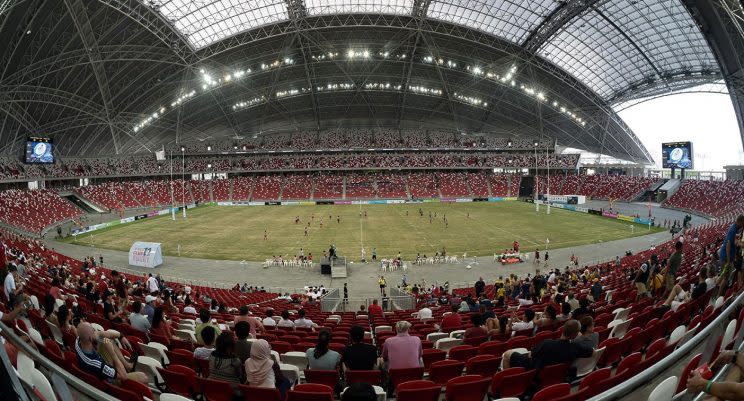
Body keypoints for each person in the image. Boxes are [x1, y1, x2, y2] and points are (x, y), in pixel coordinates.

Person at [502, 320, 592, 370]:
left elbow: (531, 355)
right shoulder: (576, 348)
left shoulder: (546, 343)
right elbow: (593, 352)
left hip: (535, 369)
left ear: (563, 329)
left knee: (507, 354)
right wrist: (578, 338)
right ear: (576, 334)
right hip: (554, 375)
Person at [75, 322, 148, 384]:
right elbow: (124, 376)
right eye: (93, 331)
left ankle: (128, 366)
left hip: (97, 366)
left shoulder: (79, 340)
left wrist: (121, 336)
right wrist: (112, 352)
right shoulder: (97, 364)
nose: (95, 331)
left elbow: (104, 334)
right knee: (143, 377)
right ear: (91, 338)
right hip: (108, 381)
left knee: (107, 341)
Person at [720, 215, 744, 286]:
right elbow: (728, 245)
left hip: (728, 257)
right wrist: (728, 261)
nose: (743, 225)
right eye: (743, 223)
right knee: (725, 278)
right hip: (726, 258)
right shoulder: (733, 230)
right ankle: (719, 294)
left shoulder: (735, 229)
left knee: (725, 277)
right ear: (740, 221)